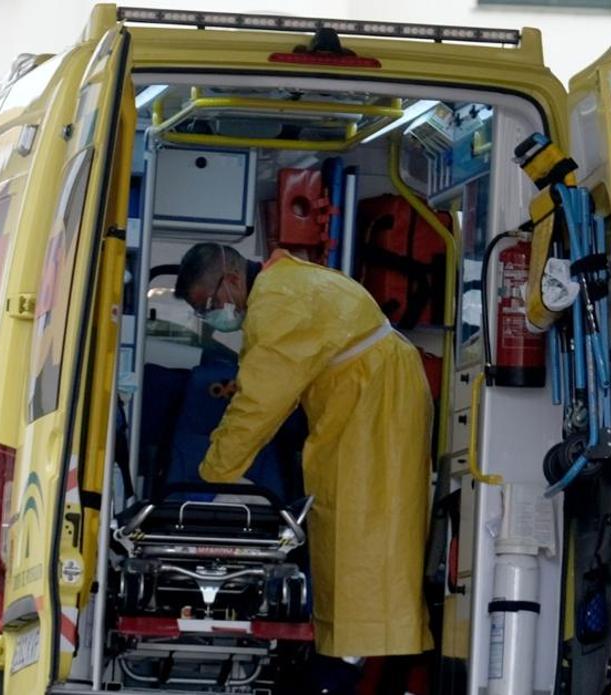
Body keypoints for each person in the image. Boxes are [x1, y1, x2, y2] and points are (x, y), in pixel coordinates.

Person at [173, 242, 433, 662]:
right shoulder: (284, 287)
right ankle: (354, 649)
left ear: (233, 279)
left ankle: (362, 654)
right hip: (364, 397)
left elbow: (259, 403)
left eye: (210, 303)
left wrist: (212, 473)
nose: (214, 316)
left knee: (364, 532)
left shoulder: (280, 301)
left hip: (373, 406)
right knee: (353, 526)